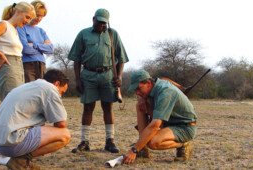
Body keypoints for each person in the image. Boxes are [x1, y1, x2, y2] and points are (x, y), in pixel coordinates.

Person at [68, 8, 129, 153]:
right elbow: (76, 59)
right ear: (93, 19)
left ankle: (110, 141)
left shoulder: (112, 34)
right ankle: (84, 142)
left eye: (104, 23)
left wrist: (119, 76)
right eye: (99, 22)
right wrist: (77, 79)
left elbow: (122, 58)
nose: (101, 25)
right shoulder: (83, 34)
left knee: (107, 107)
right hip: (88, 75)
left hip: (108, 75)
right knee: (88, 107)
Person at [0, 70, 71, 169]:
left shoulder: (27, 86)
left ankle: (19, 160)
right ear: (57, 84)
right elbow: (61, 124)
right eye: (62, 92)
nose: (60, 95)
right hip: (9, 143)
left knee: (41, 128)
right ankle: (20, 160)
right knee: (65, 135)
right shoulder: (50, 88)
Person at [122, 70, 197, 164]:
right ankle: (143, 149)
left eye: (139, 89)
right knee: (139, 105)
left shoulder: (165, 92)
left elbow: (155, 125)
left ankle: (183, 144)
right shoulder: (156, 84)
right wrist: (141, 98)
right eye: (135, 90)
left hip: (184, 127)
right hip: (170, 122)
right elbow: (163, 78)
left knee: (152, 142)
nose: (137, 93)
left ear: (148, 83)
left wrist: (134, 150)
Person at [0, 2, 35, 101]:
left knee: (18, 103)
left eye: (30, 19)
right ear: (18, 12)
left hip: (18, 66)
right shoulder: (4, 25)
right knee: (12, 103)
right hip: (9, 65)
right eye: (27, 17)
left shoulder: (14, 29)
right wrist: (0, 54)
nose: (28, 21)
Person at [17, 0, 53, 83]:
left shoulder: (41, 31)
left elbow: (50, 49)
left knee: (42, 92)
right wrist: (42, 46)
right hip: (27, 65)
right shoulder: (21, 28)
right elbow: (26, 49)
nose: (39, 18)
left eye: (42, 16)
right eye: (37, 15)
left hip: (42, 65)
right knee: (29, 93)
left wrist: (34, 44)